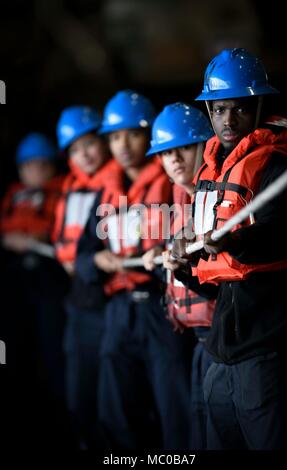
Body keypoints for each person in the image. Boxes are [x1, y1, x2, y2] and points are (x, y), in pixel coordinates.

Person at [170, 48, 287, 450]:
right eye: (219, 109)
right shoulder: (213, 172)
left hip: (266, 347)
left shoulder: (281, 165)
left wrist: (236, 239)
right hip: (220, 348)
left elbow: (282, 235)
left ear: (259, 106)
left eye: (240, 109)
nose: (228, 121)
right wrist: (183, 263)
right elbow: (213, 279)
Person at [78, 90, 192, 450]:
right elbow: (84, 255)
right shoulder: (106, 192)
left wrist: (163, 251)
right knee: (117, 411)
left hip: (161, 310)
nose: (123, 144)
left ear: (150, 135)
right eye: (114, 136)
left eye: (132, 133)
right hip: (118, 312)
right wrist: (97, 260)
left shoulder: (172, 181)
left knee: (176, 409)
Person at [142, 102, 217, 449]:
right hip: (197, 342)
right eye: (166, 152)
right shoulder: (177, 202)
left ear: (206, 145)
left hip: (226, 341)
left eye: (184, 147)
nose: (174, 159)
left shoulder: (220, 195)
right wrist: (160, 257)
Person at [0, 132, 70, 449]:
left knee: (52, 347)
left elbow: (55, 231)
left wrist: (33, 239)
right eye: (30, 166)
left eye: (43, 164)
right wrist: (15, 240)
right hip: (17, 283)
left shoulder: (61, 192)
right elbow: (5, 231)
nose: (36, 171)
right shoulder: (14, 195)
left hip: (50, 279)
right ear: (20, 169)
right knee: (17, 348)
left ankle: (61, 421)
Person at [53, 105, 111, 449]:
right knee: (79, 392)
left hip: (111, 304)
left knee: (113, 398)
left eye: (89, 143)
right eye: (75, 148)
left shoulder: (120, 184)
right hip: (79, 305)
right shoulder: (71, 189)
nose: (84, 154)